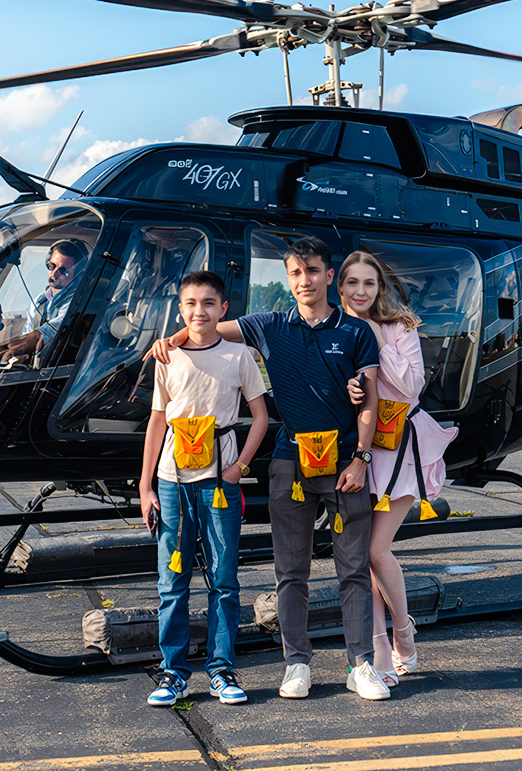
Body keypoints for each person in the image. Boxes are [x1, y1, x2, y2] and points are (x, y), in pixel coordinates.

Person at [149, 236, 389, 700]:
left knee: (354, 568)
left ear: (328, 276)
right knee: (290, 569)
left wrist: (361, 458)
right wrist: (171, 339)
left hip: (343, 462)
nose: (305, 281)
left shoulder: (357, 332)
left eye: (313, 272)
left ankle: (360, 664)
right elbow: (208, 325)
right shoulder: (268, 325)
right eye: (296, 274)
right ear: (288, 279)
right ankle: (296, 662)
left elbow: (370, 399)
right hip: (289, 461)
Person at [138, 270, 270, 707]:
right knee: (172, 581)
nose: (200, 312)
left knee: (224, 579)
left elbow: (261, 416)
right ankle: (173, 673)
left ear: (223, 309)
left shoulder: (239, 357)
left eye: (209, 303)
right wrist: (146, 485)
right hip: (173, 483)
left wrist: (240, 467)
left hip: (219, 482)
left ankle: (221, 669)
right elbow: (157, 422)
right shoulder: (167, 358)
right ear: (181, 310)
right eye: (191, 304)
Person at [339, 250, 458, 686]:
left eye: (368, 283)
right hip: (359, 450)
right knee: (359, 557)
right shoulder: (337, 330)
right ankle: (380, 655)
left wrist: (374, 336)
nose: (360, 291)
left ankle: (404, 631)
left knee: (375, 550)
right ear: (341, 287)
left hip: (401, 447)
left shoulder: (397, 328)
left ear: (379, 288)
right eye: (352, 283)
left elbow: (410, 384)